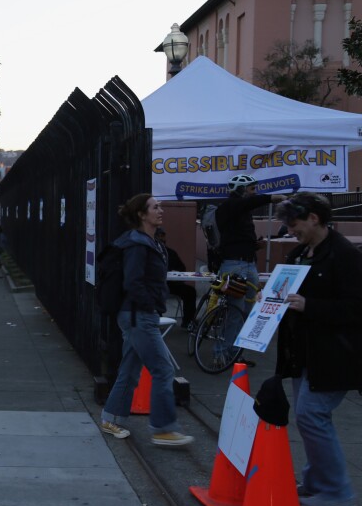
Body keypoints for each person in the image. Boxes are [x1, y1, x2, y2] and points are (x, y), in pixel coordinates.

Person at [274, 193, 362, 506]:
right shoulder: (300, 253)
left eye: (293, 222)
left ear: (314, 218)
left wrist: (310, 306)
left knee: (312, 416)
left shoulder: (344, 254)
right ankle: (315, 482)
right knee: (307, 416)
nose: (289, 228)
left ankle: (337, 492)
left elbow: (357, 307)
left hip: (335, 353)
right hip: (306, 353)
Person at [100, 193, 194, 446]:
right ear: (142, 214)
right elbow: (133, 282)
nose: (160, 210)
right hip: (139, 316)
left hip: (138, 315)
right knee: (163, 370)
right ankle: (164, 428)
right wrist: (151, 306)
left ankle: (111, 418)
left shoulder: (148, 242)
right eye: (155, 207)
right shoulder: (138, 244)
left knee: (130, 370)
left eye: (160, 206)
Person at [214, 174, 286, 358]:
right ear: (240, 189)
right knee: (234, 311)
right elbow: (246, 203)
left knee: (247, 312)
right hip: (234, 265)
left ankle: (234, 350)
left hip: (248, 263)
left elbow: (239, 236)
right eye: (252, 189)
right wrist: (271, 198)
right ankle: (222, 351)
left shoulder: (241, 212)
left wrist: (255, 245)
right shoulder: (229, 206)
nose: (255, 193)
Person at [154, 228, 196, 328]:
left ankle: (188, 322)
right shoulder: (152, 252)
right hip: (156, 284)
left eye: (163, 237)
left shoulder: (171, 253)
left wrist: (175, 273)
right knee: (155, 293)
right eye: (159, 237)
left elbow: (182, 268)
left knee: (190, 292)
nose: (162, 239)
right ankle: (157, 322)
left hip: (171, 284)